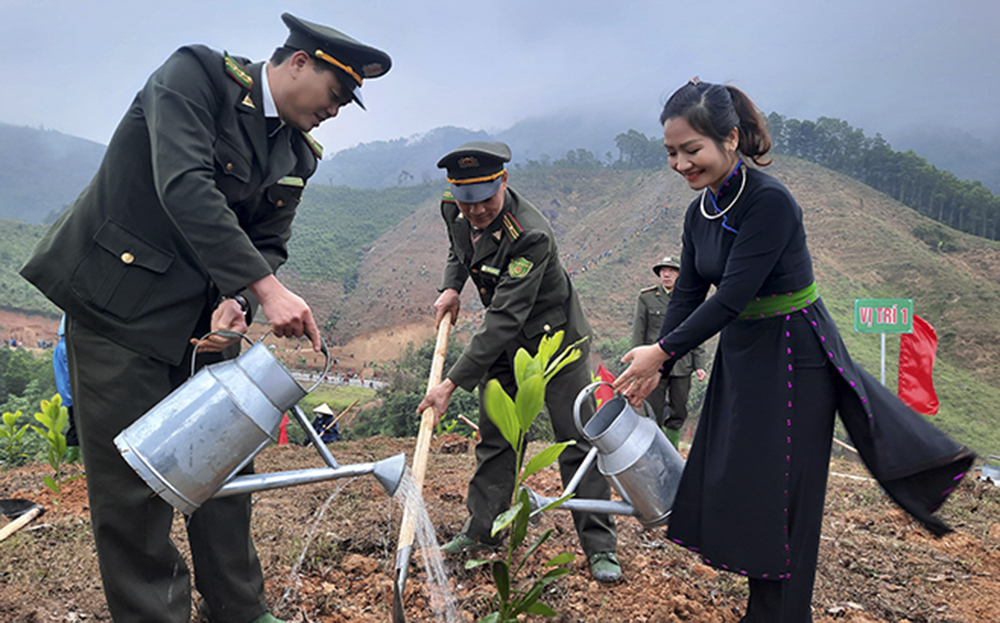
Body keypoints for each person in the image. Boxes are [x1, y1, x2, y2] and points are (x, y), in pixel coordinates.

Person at [20, 14, 390, 623]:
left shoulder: (298, 153)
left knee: (223, 468)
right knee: (133, 492)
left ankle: (241, 609)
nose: (337, 110)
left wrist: (241, 300)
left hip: (206, 327)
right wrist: (268, 293)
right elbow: (185, 184)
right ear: (298, 63)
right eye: (336, 92)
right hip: (120, 310)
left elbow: (268, 238)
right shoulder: (195, 77)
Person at [613, 79, 974, 622]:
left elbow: (733, 294)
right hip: (743, 357)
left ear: (730, 139)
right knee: (748, 490)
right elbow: (689, 293)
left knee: (783, 499)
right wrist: (657, 365)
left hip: (793, 353)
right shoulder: (700, 212)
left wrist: (662, 351)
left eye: (692, 150)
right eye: (671, 153)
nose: (681, 164)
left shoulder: (769, 202)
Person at [416, 141, 621, 582]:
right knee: (496, 437)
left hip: (553, 342)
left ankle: (600, 546)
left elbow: (506, 317)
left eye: (485, 200)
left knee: (575, 440)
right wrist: (452, 286)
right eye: (466, 201)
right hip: (505, 345)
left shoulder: (530, 233)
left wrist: (451, 383)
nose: (476, 211)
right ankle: (483, 530)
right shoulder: (455, 209)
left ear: (503, 183)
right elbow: (460, 250)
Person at [631, 255, 708, 447]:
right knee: (653, 409)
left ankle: (671, 447)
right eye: (663, 271)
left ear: (679, 274)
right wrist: (636, 363)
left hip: (682, 363)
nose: (667, 274)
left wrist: (699, 365)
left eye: (672, 271)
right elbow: (639, 330)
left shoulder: (688, 298)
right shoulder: (647, 297)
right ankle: (654, 449)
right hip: (653, 363)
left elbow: (697, 330)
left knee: (679, 409)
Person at [52, 315, 80, 463]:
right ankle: (73, 460)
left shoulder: (60, 348)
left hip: (69, 396)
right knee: (77, 426)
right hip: (75, 396)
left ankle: (72, 460)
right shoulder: (67, 349)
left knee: (74, 424)